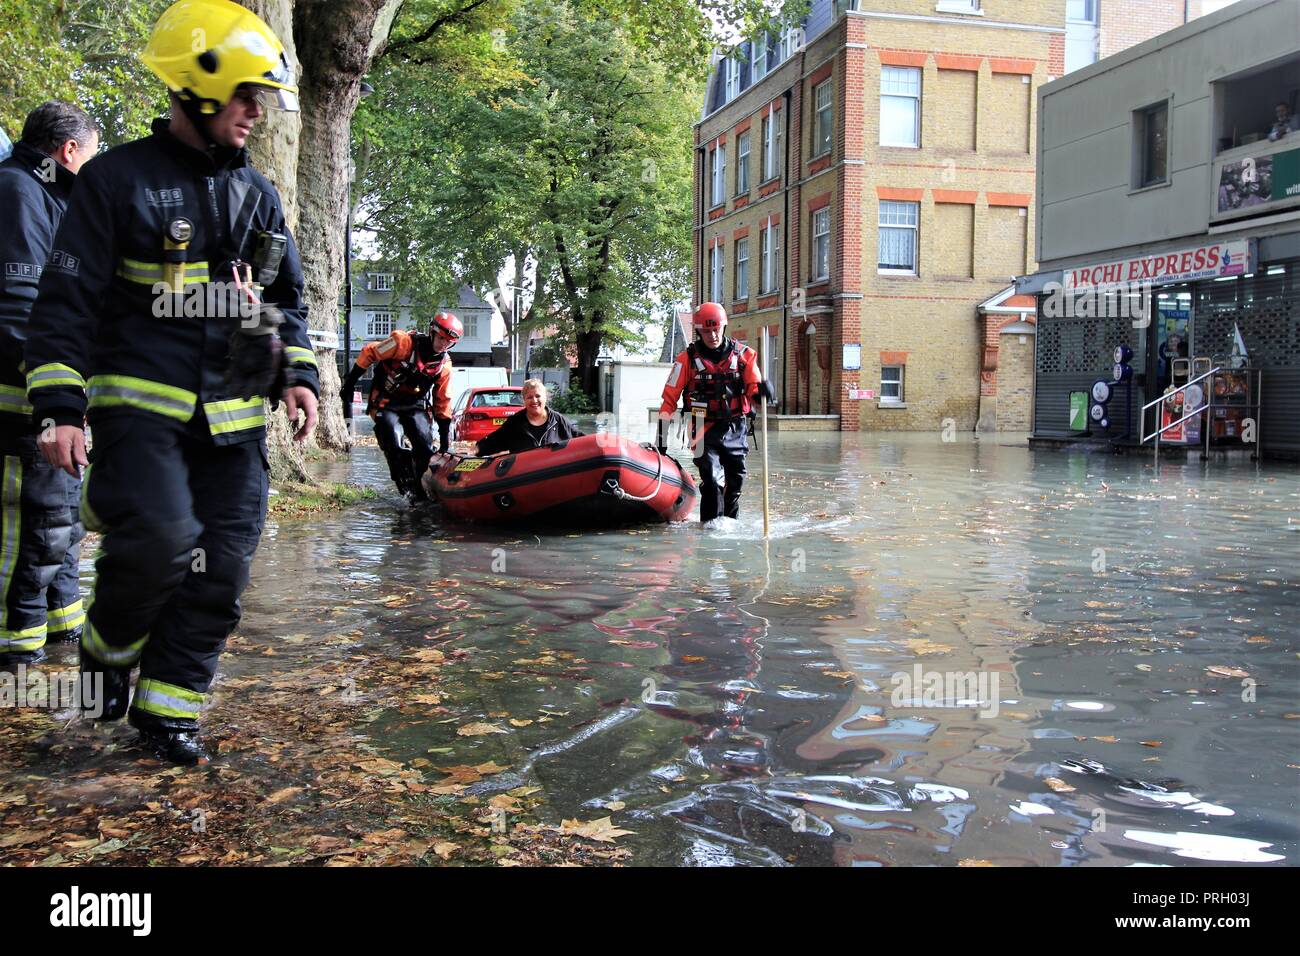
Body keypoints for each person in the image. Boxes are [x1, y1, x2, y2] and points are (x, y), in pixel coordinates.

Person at [24, 0, 320, 764]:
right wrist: (59, 408)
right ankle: (104, 653)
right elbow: (66, 303)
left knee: (220, 571)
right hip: (140, 413)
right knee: (161, 542)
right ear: (195, 85)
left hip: (235, 422)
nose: (257, 112)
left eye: (263, 96)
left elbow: (283, 300)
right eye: (245, 94)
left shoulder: (259, 195)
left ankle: (168, 714)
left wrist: (297, 374)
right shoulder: (115, 180)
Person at [0, 103, 100, 665]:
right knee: (29, 525)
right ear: (68, 151)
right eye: (91, 154)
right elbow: (19, 309)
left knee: (59, 524)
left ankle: (60, 633)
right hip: (22, 404)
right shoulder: (18, 192)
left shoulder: (46, 196)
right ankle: (16, 655)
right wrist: (52, 400)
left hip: (49, 399)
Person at [658, 302, 774, 522]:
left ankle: (730, 528)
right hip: (701, 426)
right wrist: (661, 439)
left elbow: (753, 389)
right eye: (706, 331)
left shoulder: (744, 356)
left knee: (735, 483)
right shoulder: (686, 360)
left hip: (735, 426)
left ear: (724, 327)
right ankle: (709, 531)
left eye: (716, 329)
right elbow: (668, 400)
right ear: (699, 331)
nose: (712, 335)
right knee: (711, 480)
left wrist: (763, 393)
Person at [339, 313, 461, 500]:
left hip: (413, 405)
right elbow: (370, 352)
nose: (443, 344)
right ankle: (405, 486)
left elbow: (442, 400)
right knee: (392, 440)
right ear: (432, 332)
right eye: (441, 338)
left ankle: (421, 490)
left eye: (449, 342)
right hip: (385, 402)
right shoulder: (401, 342)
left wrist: (445, 442)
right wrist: (349, 384)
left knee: (424, 445)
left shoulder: (444, 365)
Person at [475, 379, 583, 456]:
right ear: (524, 400)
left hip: (552, 478)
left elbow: (580, 440)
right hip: (524, 479)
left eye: (538, 396)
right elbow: (495, 440)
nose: (534, 401)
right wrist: (477, 449)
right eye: (529, 397)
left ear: (545, 397)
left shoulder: (557, 420)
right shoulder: (515, 422)